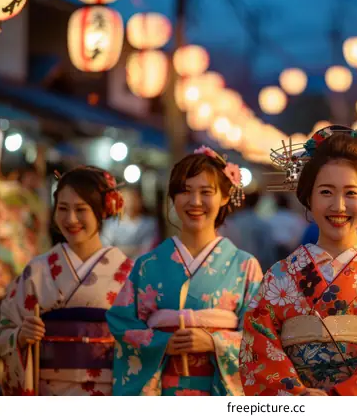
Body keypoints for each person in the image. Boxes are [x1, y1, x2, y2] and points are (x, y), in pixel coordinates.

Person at [239, 125, 357, 396]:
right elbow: (258, 351)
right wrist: (299, 398)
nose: (339, 206)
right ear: (308, 197)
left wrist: (340, 399)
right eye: (326, 192)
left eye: (351, 193)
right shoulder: (279, 278)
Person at [107, 146, 263, 396]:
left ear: (224, 196)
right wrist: (161, 344)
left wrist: (214, 343)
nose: (195, 202)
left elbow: (260, 337)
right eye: (185, 192)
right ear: (173, 198)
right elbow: (121, 322)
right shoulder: (148, 265)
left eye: (206, 192)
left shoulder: (245, 266)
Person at [0, 166, 134, 395]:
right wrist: (20, 335)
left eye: (81, 209)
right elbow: (3, 330)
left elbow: (144, 341)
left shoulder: (127, 273)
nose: (71, 219)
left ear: (102, 211)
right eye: (62, 209)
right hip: (48, 391)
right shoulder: (36, 271)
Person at [101, 187, 160, 260]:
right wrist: (134, 249)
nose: (131, 203)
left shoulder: (150, 223)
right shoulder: (111, 224)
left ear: (140, 201)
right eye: (127, 200)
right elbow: (105, 247)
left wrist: (119, 249)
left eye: (134, 199)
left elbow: (148, 248)